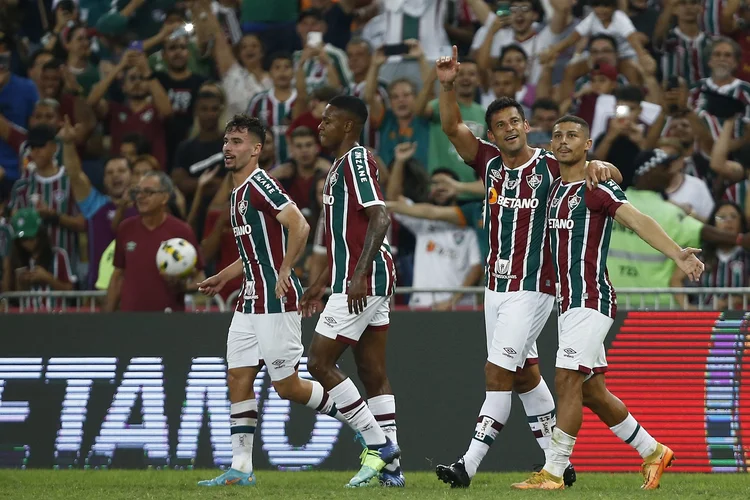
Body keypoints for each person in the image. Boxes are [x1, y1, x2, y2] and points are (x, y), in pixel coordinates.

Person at [432, 46, 622, 488]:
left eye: (515, 122)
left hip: (534, 287)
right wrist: (446, 84)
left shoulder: (551, 164)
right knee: (522, 376)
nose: (509, 129)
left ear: (526, 125)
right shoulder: (488, 164)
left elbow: (584, 166)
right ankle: (558, 464)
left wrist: (599, 164)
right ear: (493, 135)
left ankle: (467, 465)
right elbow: (451, 125)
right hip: (495, 289)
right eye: (500, 126)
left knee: (496, 372)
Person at [511, 116, 704, 490]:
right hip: (568, 303)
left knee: (566, 379)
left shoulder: (596, 187)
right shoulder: (552, 186)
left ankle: (553, 472)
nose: (564, 141)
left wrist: (677, 254)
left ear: (588, 144)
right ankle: (653, 451)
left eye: (573, 136)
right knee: (592, 392)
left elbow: (637, 219)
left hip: (592, 298)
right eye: (558, 136)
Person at [195, 114, 349, 487]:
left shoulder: (261, 185)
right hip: (249, 299)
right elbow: (253, 252)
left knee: (288, 387)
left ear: (257, 149)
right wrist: (224, 276)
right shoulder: (236, 192)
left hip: (276, 298)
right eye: (227, 141)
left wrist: (285, 269)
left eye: (237, 142)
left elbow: (300, 225)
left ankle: (361, 424)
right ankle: (241, 467)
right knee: (238, 375)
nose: (228, 148)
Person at [300, 95, 402, 487]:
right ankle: (392, 471)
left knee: (318, 363)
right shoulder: (339, 166)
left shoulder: (356, 161)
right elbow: (349, 236)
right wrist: (321, 281)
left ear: (347, 126)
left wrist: (357, 276)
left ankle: (378, 445)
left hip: (364, 281)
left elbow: (380, 215)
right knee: (372, 372)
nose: (319, 126)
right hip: (359, 277)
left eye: (327, 121)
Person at [105, 171, 205, 312]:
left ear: (164, 197)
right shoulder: (125, 228)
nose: (140, 196)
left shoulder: (182, 231)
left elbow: (200, 278)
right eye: (138, 191)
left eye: (148, 192)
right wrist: (106, 319)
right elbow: (118, 275)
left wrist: (183, 287)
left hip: (168, 321)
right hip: (130, 320)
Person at [8, 207, 75, 311]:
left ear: (40, 234)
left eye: (30, 238)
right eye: (22, 240)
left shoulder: (59, 255)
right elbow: (18, 297)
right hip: (29, 320)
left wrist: (48, 278)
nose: (26, 244)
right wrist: (22, 283)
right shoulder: (19, 258)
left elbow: (71, 291)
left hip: (57, 318)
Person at [247, 52, 297, 165]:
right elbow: (249, 134)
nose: (282, 72)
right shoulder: (258, 101)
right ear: (269, 72)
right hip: (265, 168)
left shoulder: (301, 101)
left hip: (297, 169)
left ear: (293, 72)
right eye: (277, 67)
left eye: (287, 67)